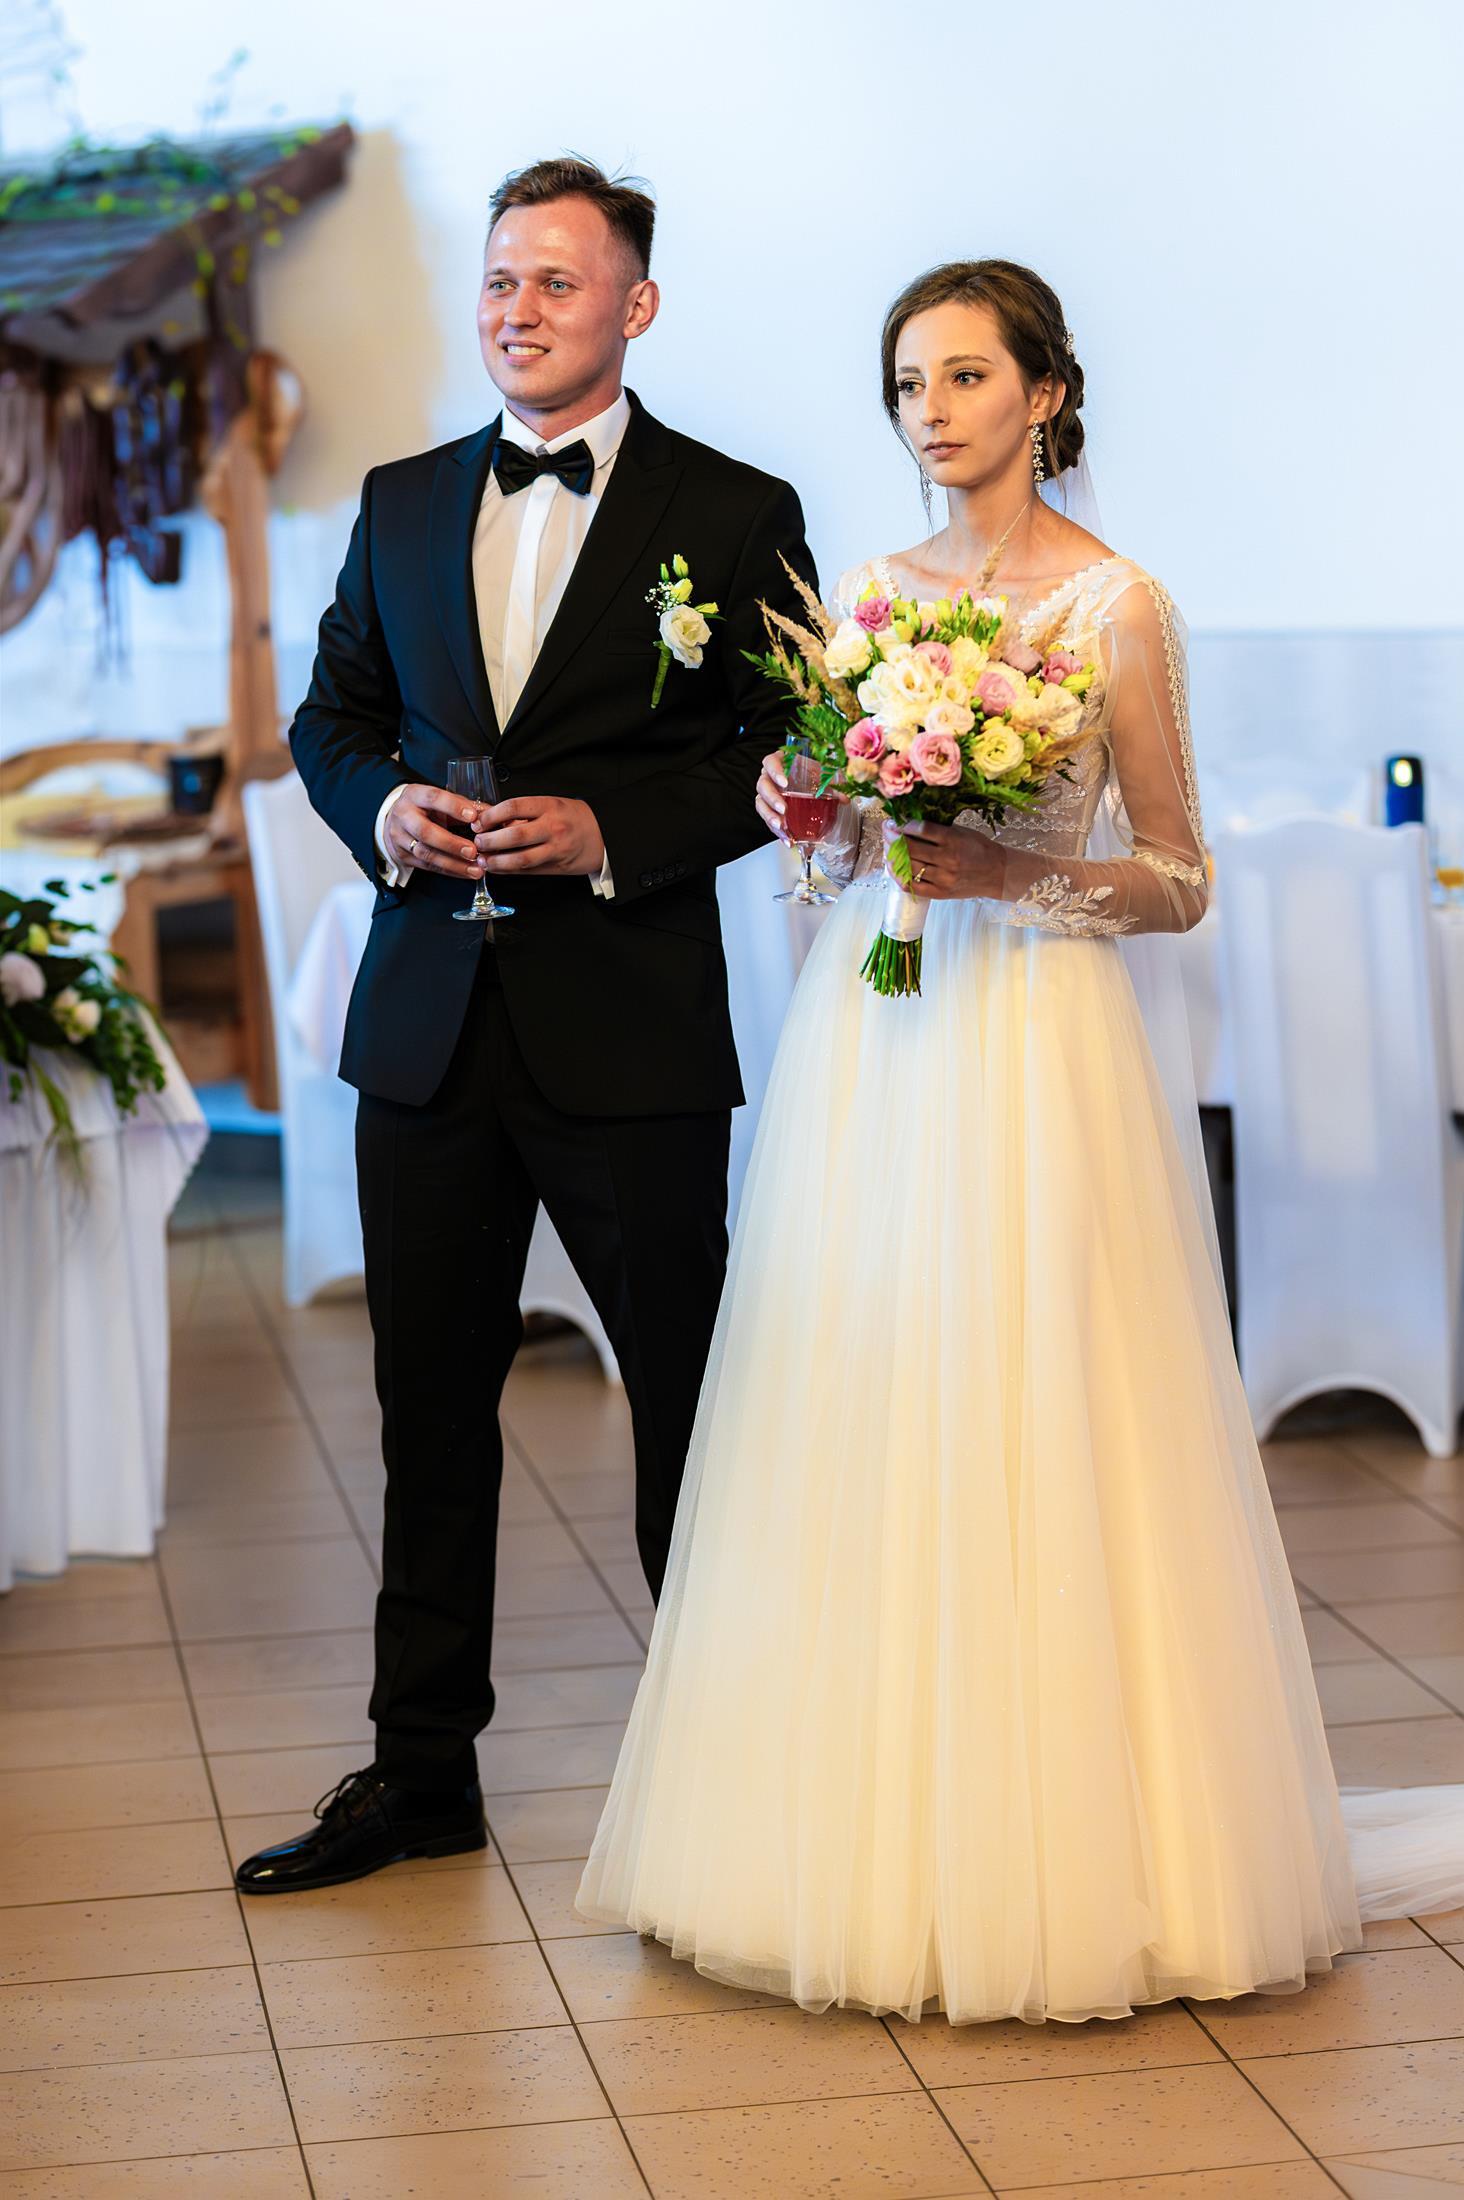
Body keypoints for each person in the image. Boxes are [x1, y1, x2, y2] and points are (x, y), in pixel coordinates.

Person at [575, 258, 1464, 2021]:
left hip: (1042, 1040)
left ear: (1045, 393)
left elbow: (1182, 878)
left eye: (967, 376)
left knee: (1042, 1396)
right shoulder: (866, 600)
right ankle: (847, 1834)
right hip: (879, 1037)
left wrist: (1014, 871)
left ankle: (1071, 1845)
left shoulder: (1117, 604)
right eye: (909, 382)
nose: (932, 411)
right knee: (866, 1389)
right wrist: (811, 813)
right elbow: (843, 855)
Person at [234, 158, 816, 1895]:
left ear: (637, 306)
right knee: (425, 1411)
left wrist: (614, 831)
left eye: (558, 281)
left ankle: (742, 1773)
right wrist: (381, 808)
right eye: (500, 279)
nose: (518, 309)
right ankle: (422, 1775)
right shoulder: (404, 499)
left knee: (687, 1403)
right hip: (429, 1025)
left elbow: (787, 750)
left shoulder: (737, 508)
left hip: (628, 1025)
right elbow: (331, 716)